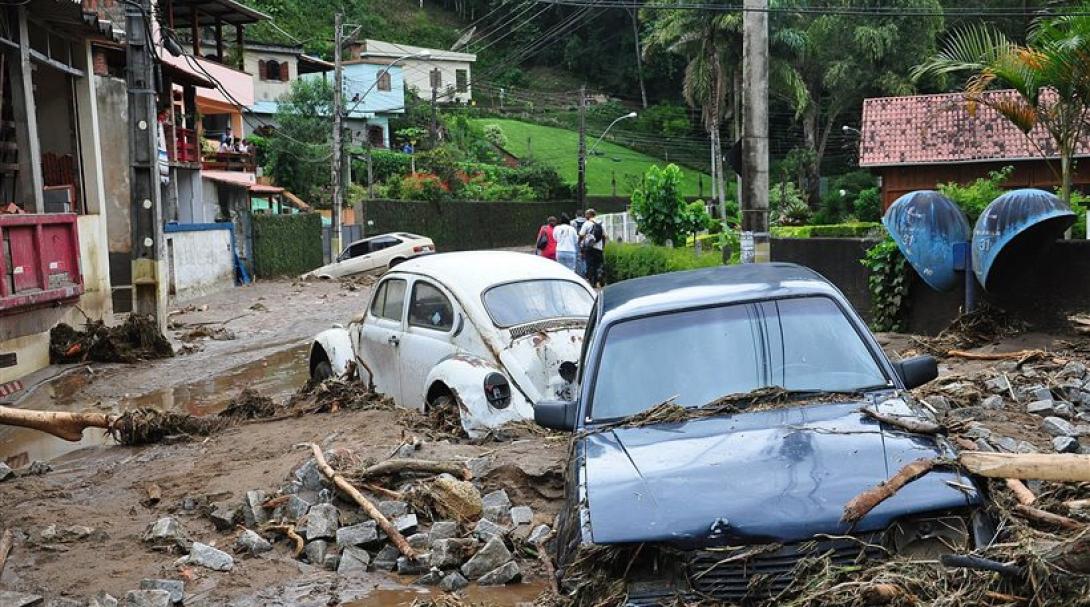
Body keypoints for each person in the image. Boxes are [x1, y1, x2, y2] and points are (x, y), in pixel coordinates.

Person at [579, 209, 605, 287]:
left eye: (586, 214)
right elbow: (604, 236)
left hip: (589, 248)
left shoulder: (586, 223)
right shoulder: (600, 223)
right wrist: (603, 247)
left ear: (590, 215)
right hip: (599, 248)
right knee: (599, 264)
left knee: (590, 265)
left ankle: (592, 282)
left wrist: (580, 244)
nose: (585, 216)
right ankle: (599, 278)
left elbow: (581, 235)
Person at [572, 210, 588, 277]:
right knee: (585, 257)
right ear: (583, 215)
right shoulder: (587, 222)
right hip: (585, 241)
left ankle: (579, 274)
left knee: (578, 258)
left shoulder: (573, 222)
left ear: (576, 215)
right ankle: (585, 272)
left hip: (577, 241)